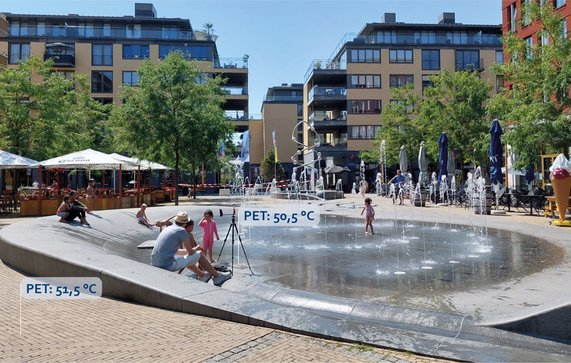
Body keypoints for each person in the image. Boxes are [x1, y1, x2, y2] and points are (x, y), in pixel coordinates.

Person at [151, 211, 231, 287]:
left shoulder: (169, 228)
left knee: (186, 257)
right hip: (166, 265)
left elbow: (176, 251)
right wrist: (197, 248)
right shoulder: (181, 230)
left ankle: (202, 275)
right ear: (185, 223)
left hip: (155, 263)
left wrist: (192, 250)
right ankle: (217, 277)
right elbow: (191, 252)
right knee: (199, 253)